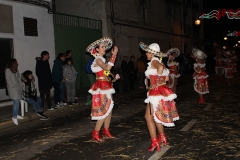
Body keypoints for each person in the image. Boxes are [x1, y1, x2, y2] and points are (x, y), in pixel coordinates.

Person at [139, 42, 179, 152]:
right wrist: (157, 80)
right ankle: (163, 137)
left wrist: (156, 81)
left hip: (155, 93)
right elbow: (166, 78)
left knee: (148, 117)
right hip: (158, 92)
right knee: (155, 117)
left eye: (147, 52)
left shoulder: (155, 62)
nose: (146, 54)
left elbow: (160, 68)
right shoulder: (158, 61)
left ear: (152, 54)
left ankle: (155, 141)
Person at [86, 37, 118, 142]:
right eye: (102, 47)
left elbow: (106, 74)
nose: (105, 48)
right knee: (104, 109)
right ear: (97, 50)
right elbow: (107, 68)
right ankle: (95, 132)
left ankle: (106, 130)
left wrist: (113, 79)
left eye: (105, 47)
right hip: (101, 87)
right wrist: (114, 55)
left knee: (109, 109)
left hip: (106, 85)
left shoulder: (102, 59)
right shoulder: (98, 60)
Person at [5, 59, 24, 125]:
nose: (17, 63)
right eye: (16, 62)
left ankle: (16, 114)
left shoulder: (16, 70)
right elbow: (9, 81)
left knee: (18, 101)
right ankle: (14, 116)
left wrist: (21, 84)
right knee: (16, 102)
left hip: (18, 88)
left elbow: (18, 78)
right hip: (13, 89)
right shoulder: (8, 70)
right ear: (13, 63)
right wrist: (14, 86)